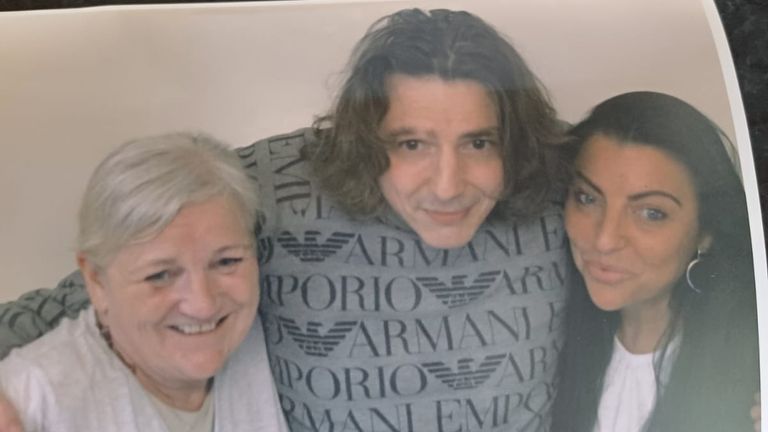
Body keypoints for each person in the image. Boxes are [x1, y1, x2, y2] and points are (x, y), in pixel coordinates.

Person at [0, 9, 569, 432]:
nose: (447, 186)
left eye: (478, 143)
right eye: (411, 143)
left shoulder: (562, 197)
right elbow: (106, 286)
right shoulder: (276, 183)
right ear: (364, 136)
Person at [0, 133, 288, 431]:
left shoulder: (262, 336)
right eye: (160, 275)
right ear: (96, 281)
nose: (203, 305)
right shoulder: (32, 398)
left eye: (227, 262)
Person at [550, 92, 759, 431]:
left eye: (651, 213)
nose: (604, 239)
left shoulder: (753, 365)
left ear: (705, 232)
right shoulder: (546, 337)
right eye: (587, 198)